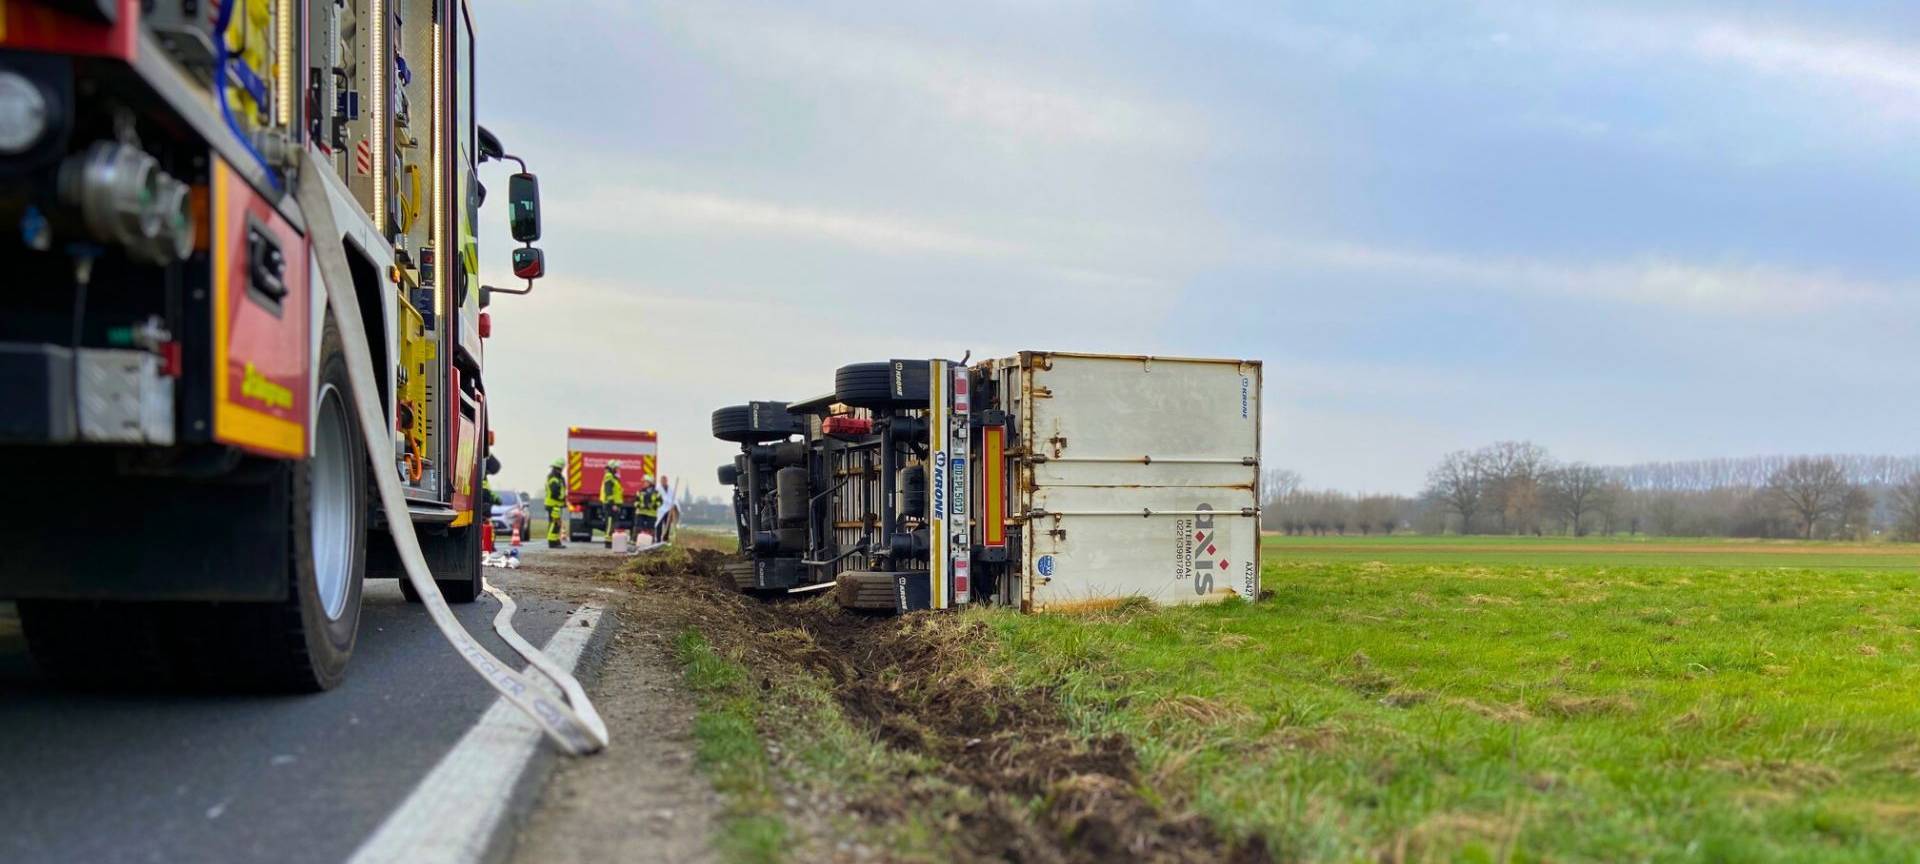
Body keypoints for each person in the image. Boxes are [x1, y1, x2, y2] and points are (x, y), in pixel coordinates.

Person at [599, 460, 624, 548]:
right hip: (610, 505)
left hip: (614, 504)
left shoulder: (613, 477)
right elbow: (608, 491)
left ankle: (610, 541)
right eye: (617, 468)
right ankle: (608, 542)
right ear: (613, 468)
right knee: (610, 523)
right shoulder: (609, 476)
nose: (618, 469)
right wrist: (612, 504)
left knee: (613, 523)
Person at [544, 458, 567, 549]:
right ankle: (552, 542)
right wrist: (562, 498)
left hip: (555, 505)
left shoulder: (557, 478)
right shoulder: (553, 479)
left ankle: (556, 541)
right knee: (555, 524)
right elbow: (555, 493)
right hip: (554, 504)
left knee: (556, 523)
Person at [631, 479, 662, 545]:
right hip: (640, 512)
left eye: (646, 482)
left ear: (650, 483)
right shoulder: (640, 491)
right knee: (638, 527)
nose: (644, 483)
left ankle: (651, 543)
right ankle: (635, 541)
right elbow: (635, 502)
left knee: (650, 529)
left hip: (651, 514)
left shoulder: (656, 493)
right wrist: (641, 505)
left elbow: (660, 502)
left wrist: (654, 506)